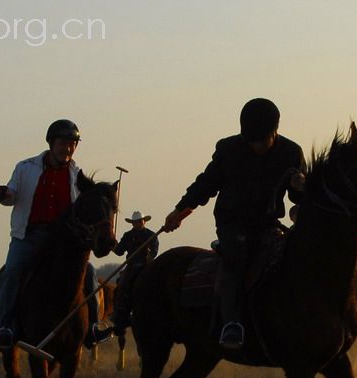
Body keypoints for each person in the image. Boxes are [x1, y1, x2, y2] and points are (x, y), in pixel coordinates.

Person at [163, 98, 306, 350]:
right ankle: (232, 323)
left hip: (268, 224)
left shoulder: (292, 153)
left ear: (275, 132)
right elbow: (205, 184)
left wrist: (301, 187)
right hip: (233, 225)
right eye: (250, 140)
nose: (255, 147)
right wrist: (180, 211)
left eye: (260, 141)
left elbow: (300, 198)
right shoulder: (228, 149)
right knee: (237, 256)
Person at [0, 119, 106, 349]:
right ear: (52, 143)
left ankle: (92, 327)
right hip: (28, 237)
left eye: (73, 144)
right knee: (12, 271)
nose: (69, 149)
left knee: (90, 272)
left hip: (62, 242)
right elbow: (12, 194)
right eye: (64, 143)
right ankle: (5, 327)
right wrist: (3, 194)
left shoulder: (76, 175)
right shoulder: (25, 168)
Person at [104, 211, 159, 336]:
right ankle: (120, 314)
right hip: (131, 265)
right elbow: (119, 251)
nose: (138, 224)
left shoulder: (151, 235)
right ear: (132, 223)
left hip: (146, 265)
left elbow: (154, 251)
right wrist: (112, 244)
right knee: (121, 285)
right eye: (135, 222)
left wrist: (150, 254)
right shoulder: (127, 235)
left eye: (140, 221)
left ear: (144, 221)